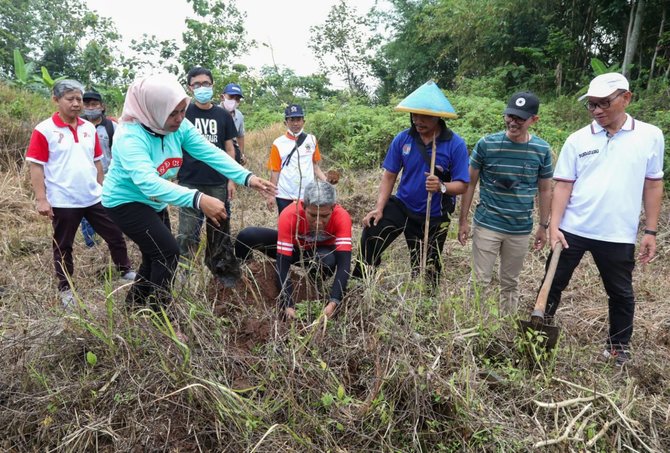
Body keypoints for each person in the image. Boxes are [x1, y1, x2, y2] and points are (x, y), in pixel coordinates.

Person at [102, 73, 275, 312]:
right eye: (172, 113)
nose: (180, 118)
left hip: (154, 202)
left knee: (154, 256)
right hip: (125, 201)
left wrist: (246, 177)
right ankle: (160, 314)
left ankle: (135, 307)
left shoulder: (179, 126)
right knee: (168, 253)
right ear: (153, 109)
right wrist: (199, 199)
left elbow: (208, 151)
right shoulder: (130, 137)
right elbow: (148, 183)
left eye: (182, 110)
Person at [542, 72, 664, 366]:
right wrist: (554, 226)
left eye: (603, 103)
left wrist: (650, 230)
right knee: (552, 282)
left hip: (617, 233)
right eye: (591, 105)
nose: (597, 111)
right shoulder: (578, 139)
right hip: (573, 228)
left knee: (620, 293)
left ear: (626, 98)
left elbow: (653, 183)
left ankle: (618, 346)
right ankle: (540, 334)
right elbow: (563, 185)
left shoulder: (650, 135)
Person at [26, 80, 136, 307]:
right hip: (63, 199)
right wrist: (41, 199)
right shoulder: (44, 130)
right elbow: (36, 165)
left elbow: (97, 161)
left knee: (115, 234)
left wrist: (103, 189)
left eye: (79, 99)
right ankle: (65, 287)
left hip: (94, 196)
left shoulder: (88, 128)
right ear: (56, 100)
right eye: (71, 99)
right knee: (63, 245)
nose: (77, 104)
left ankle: (124, 269)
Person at [354, 81, 469, 286]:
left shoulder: (455, 144)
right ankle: (360, 281)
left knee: (427, 269)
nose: (418, 120)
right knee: (373, 230)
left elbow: (462, 185)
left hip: (433, 214)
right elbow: (389, 176)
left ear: (437, 116)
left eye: (424, 116)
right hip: (403, 205)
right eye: (414, 115)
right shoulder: (403, 139)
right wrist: (379, 208)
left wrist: (442, 186)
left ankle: (425, 303)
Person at [458, 92, 552, 316]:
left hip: (519, 228)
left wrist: (543, 225)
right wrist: (463, 220)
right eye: (510, 115)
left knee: (510, 281)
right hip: (487, 224)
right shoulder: (486, 145)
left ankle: (505, 324)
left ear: (534, 120)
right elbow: (470, 183)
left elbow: (545, 189)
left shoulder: (542, 150)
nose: (513, 122)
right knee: (480, 279)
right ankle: (473, 322)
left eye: (520, 118)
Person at [235, 180, 352, 320]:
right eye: (313, 215)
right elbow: (282, 263)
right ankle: (244, 274)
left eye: (325, 216)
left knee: (328, 260)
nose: (318, 222)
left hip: (318, 255)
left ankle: (314, 283)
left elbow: (344, 264)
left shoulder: (341, 216)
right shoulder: (290, 214)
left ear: (333, 208)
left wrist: (334, 301)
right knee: (247, 236)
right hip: (294, 250)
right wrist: (288, 304)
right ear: (303, 206)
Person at [176, 67, 239, 284]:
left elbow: (230, 149)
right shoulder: (184, 114)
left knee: (219, 230)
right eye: (196, 84)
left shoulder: (222, 115)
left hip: (217, 183)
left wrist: (231, 179)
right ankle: (184, 274)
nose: (202, 88)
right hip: (189, 182)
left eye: (206, 83)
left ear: (212, 85)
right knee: (187, 232)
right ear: (189, 88)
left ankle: (220, 273)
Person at [267, 104, 328, 214]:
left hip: (307, 194)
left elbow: (315, 166)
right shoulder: (278, 143)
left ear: (303, 121)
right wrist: (271, 195)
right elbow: (275, 171)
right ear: (285, 122)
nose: (295, 123)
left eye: (298, 119)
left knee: (306, 225)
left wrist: (327, 182)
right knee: (286, 226)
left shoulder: (312, 140)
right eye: (292, 120)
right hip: (285, 195)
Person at [79, 90, 118, 247]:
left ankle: (113, 241)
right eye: (87, 104)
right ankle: (92, 245)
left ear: (102, 106)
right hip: (85, 177)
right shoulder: (77, 126)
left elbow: (118, 151)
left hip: (109, 176)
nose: (90, 107)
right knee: (87, 212)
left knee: (111, 209)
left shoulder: (111, 126)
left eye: (94, 104)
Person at [221, 82, 246, 165]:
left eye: (237, 99)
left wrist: (242, 154)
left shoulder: (239, 116)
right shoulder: (215, 112)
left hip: (233, 153)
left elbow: (240, 136)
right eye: (231, 97)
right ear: (223, 97)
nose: (234, 101)